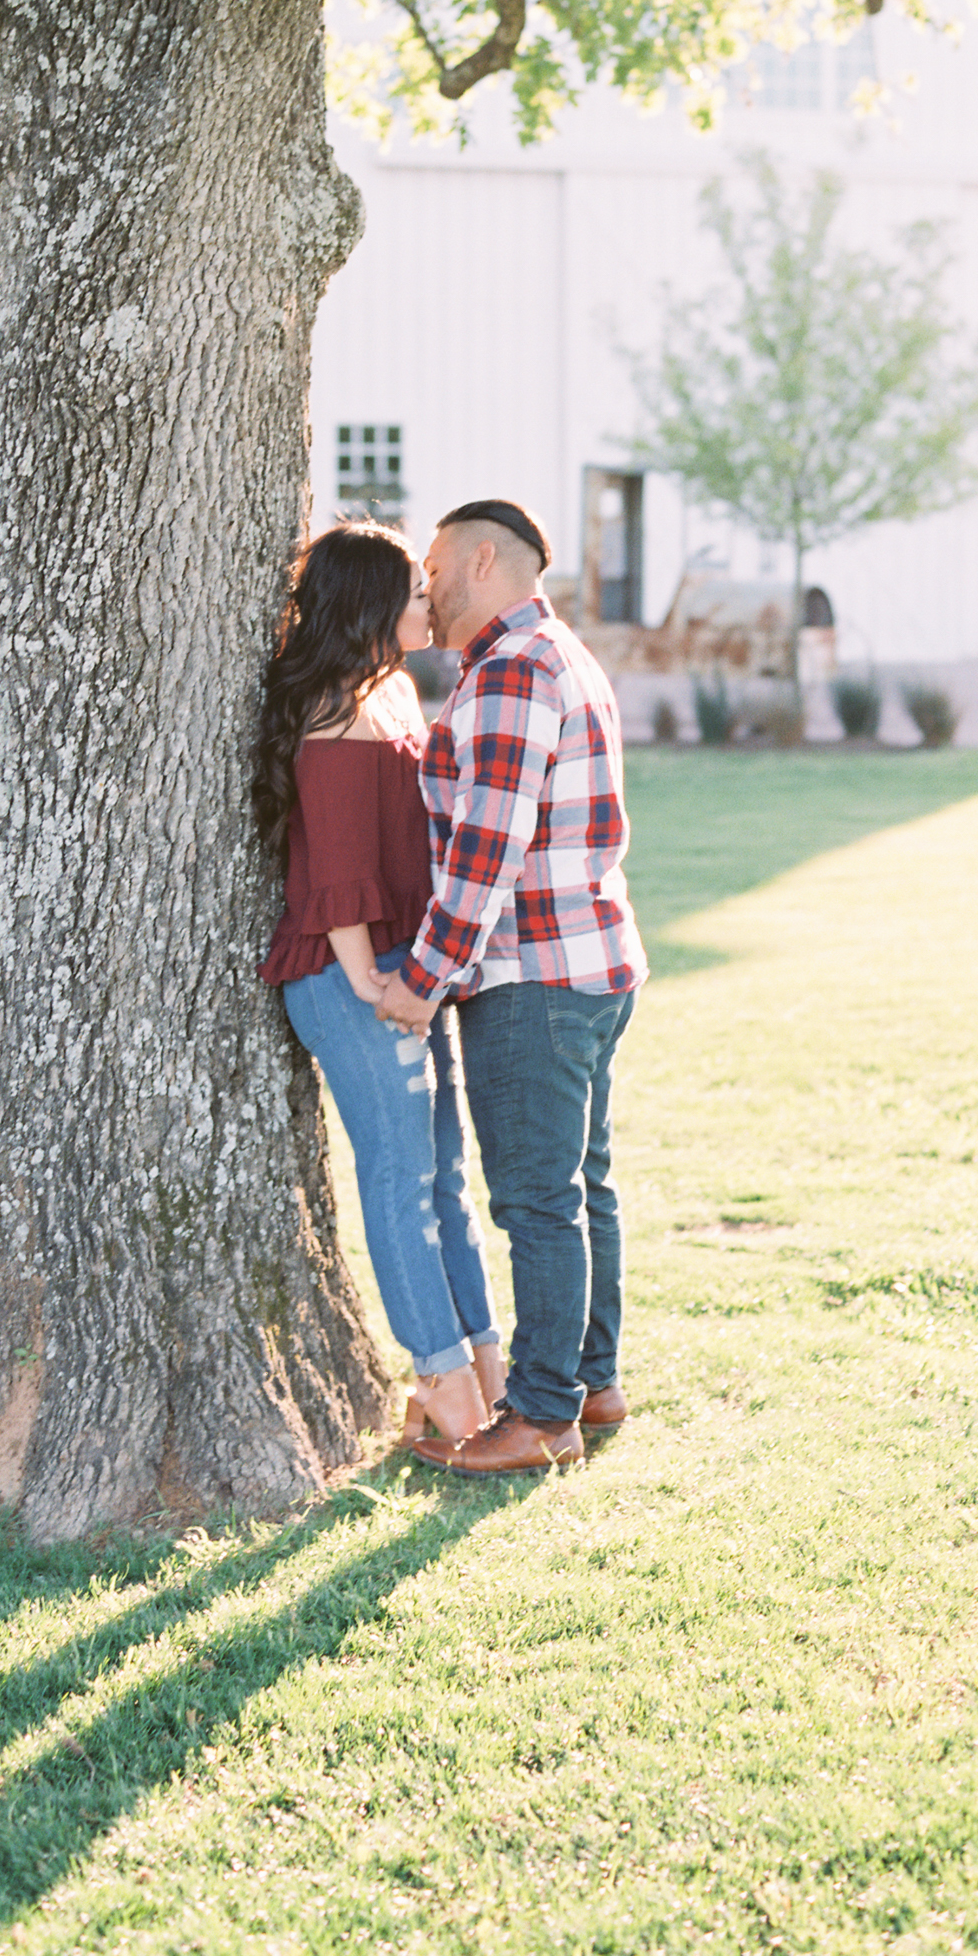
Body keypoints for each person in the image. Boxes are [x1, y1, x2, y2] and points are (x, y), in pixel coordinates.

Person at [373, 498, 648, 1476]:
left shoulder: (508, 673)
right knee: (581, 1187)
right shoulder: (558, 654)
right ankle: (592, 1381)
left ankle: (538, 1416)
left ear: (483, 559)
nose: (424, 580)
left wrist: (421, 979)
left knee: (535, 1199)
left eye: (436, 562)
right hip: (592, 962)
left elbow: (485, 854)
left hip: (531, 978)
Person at [255, 522, 502, 1449]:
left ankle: (484, 1367)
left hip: (409, 967)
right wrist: (371, 981)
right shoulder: (333, 712)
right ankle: (444, 1387)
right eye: (409, 591)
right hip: (351, 976)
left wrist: (422, 973)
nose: (426, 603)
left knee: (445, 1181)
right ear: (363, 604)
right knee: (403, 1180)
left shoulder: (392, 692)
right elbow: (339, 868)